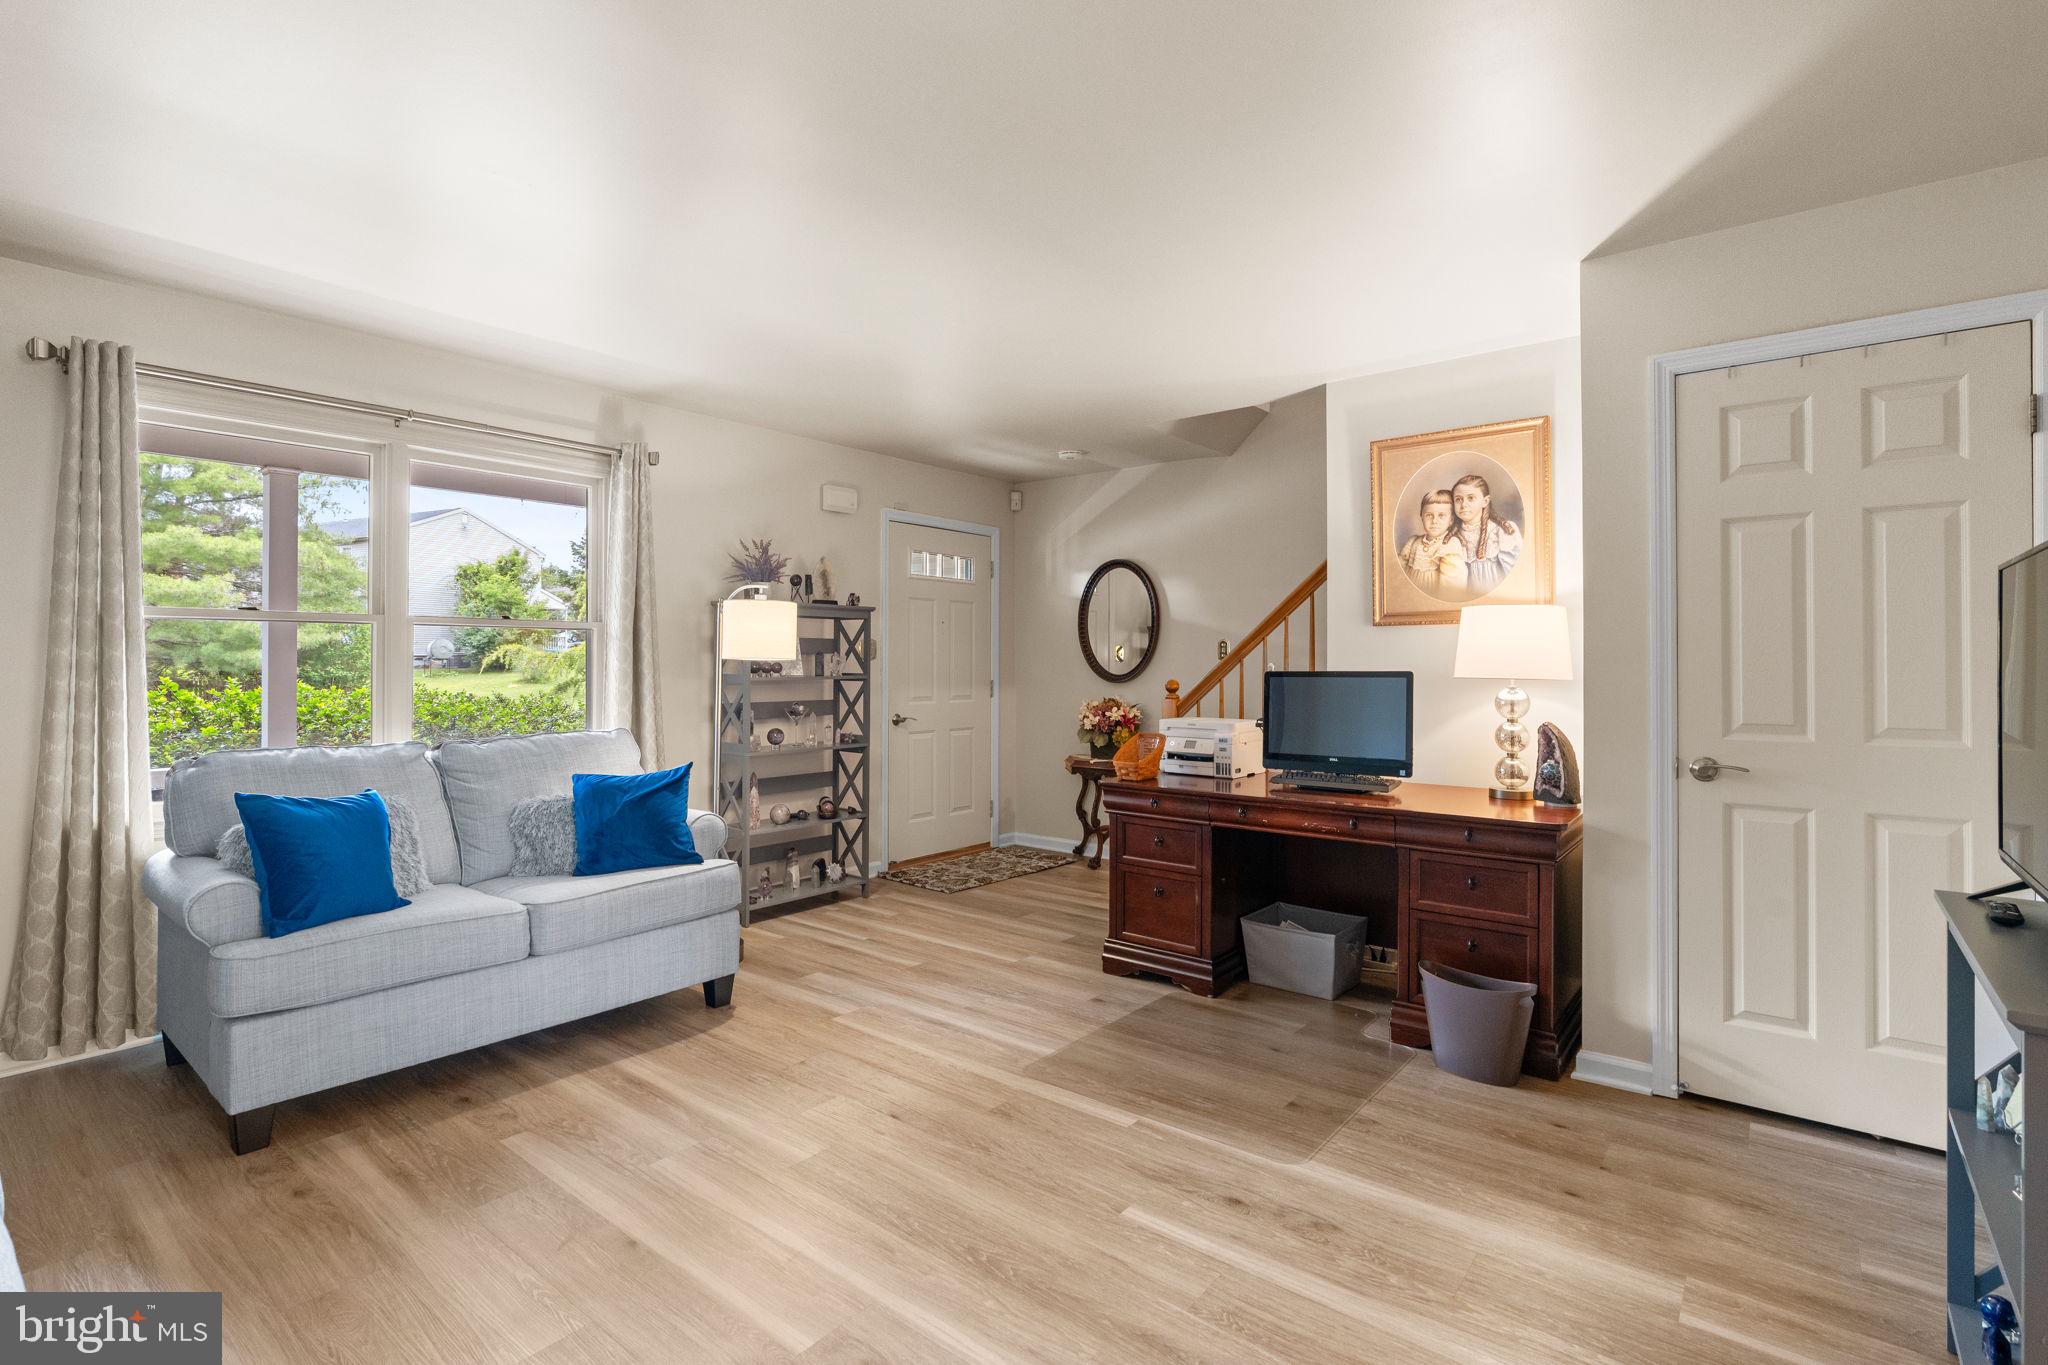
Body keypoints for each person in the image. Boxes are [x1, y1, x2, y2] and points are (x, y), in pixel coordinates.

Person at [1450, 473, 1521, 595]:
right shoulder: (1452, 536)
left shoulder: (1501, 531)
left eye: (1471, 498)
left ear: (1485, 501)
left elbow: (1516, 577)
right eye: (1458, 499)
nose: (1463, 504)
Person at [1398, 489, 1466, 598]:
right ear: (1421, 516)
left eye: (1441, 515)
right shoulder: (1413, 542)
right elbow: (1398, 573)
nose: (1434, 521)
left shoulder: (1449, 545)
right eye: (1429, 515)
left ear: (1451, 520)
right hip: (1410, 597)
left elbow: (1451, 586)